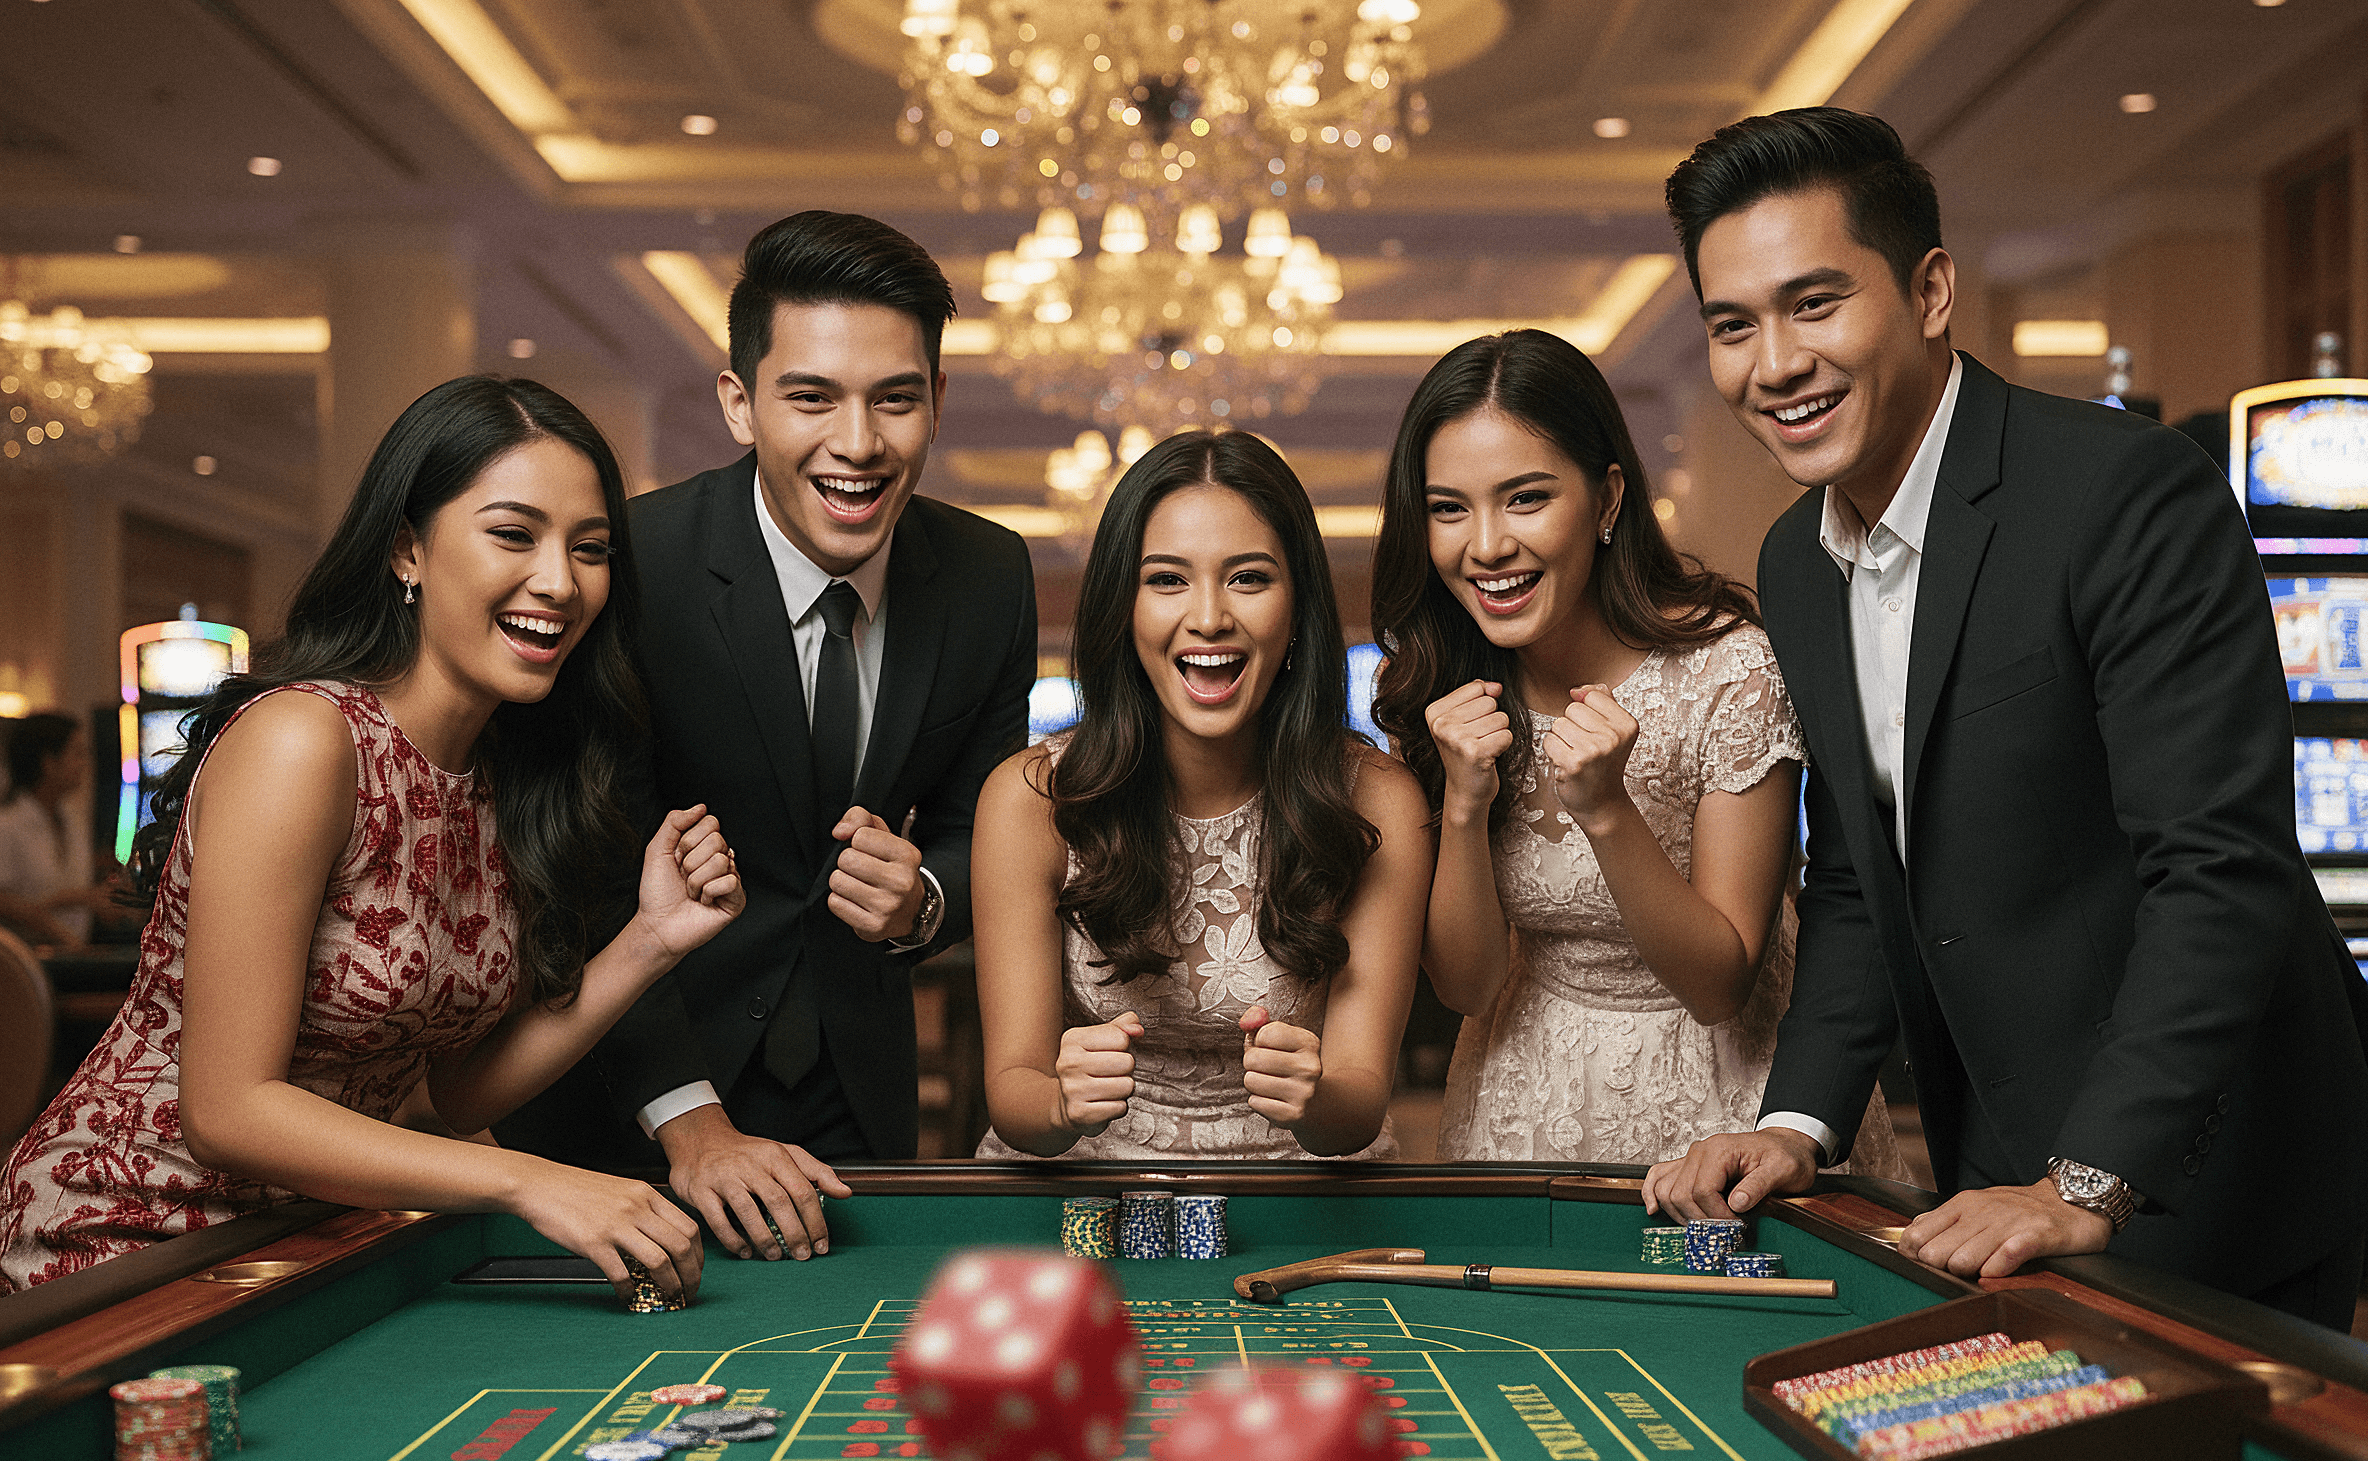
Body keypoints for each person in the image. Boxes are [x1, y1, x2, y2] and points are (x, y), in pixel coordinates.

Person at [1643, 107, 2368, 1328]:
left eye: (1814, 303)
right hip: (1998, 1172)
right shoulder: (1794, 561)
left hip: (2207, 1170)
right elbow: (1858, 877)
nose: (1772, 364)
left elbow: (2218, 869)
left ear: (1929, 293)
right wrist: (1794, 1121)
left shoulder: (2125, 496)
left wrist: (2091, 1177)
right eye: (1733, 325)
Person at [0, 376, 744, 1298]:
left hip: (299, 1242)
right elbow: (228, 1111)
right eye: (513, 534)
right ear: (407, 549)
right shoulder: (303, 741)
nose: (559, 581)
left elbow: (460, 1088)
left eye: (588, 549)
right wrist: (528, 1180)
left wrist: (649, 941)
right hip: (126, 1237)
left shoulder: (507, 774)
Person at [496, 212, 1037, 1255]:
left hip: (859, 1104)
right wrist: (689, 1121)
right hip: (626, 1107)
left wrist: (923, 896)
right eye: (811, 397)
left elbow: (993, 828)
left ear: (935, 403)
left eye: (895, 399)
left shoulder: (987, 576)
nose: (859, 443)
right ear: (740, 406)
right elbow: (573, 871)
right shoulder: (629, 562)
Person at [1371, 330, 1898, 1171]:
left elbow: (1720, 984)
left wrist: (1608, 812)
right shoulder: (1443, 685)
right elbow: (1467, 988)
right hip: (1522, 1097)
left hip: (1721, 1093)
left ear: (1608, 499)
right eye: (1448, 508)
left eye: (1526, 498)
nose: (1486, 545)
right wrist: (1466, 806)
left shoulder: (1730, 671)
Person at [973, 429, 1431, 1159]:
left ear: (1298, 606)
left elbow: (1361, 1097)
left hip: (1306, 1201)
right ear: (1122, 606)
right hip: (1088, 1195)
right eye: (1167, 580)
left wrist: (1315, 1102)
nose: (1211, 616)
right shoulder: (1030, 799)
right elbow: (1014, 1088)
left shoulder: (1376, 801)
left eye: (1248, 578)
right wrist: (1060, 1104)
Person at [0, 713, 109, 948]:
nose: (85, 763)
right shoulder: (7, 825)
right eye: (77, 753)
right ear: (48, 763)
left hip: (71, 960)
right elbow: (5, 903)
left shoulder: (72, 819)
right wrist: (74, 903)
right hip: (23, 968)